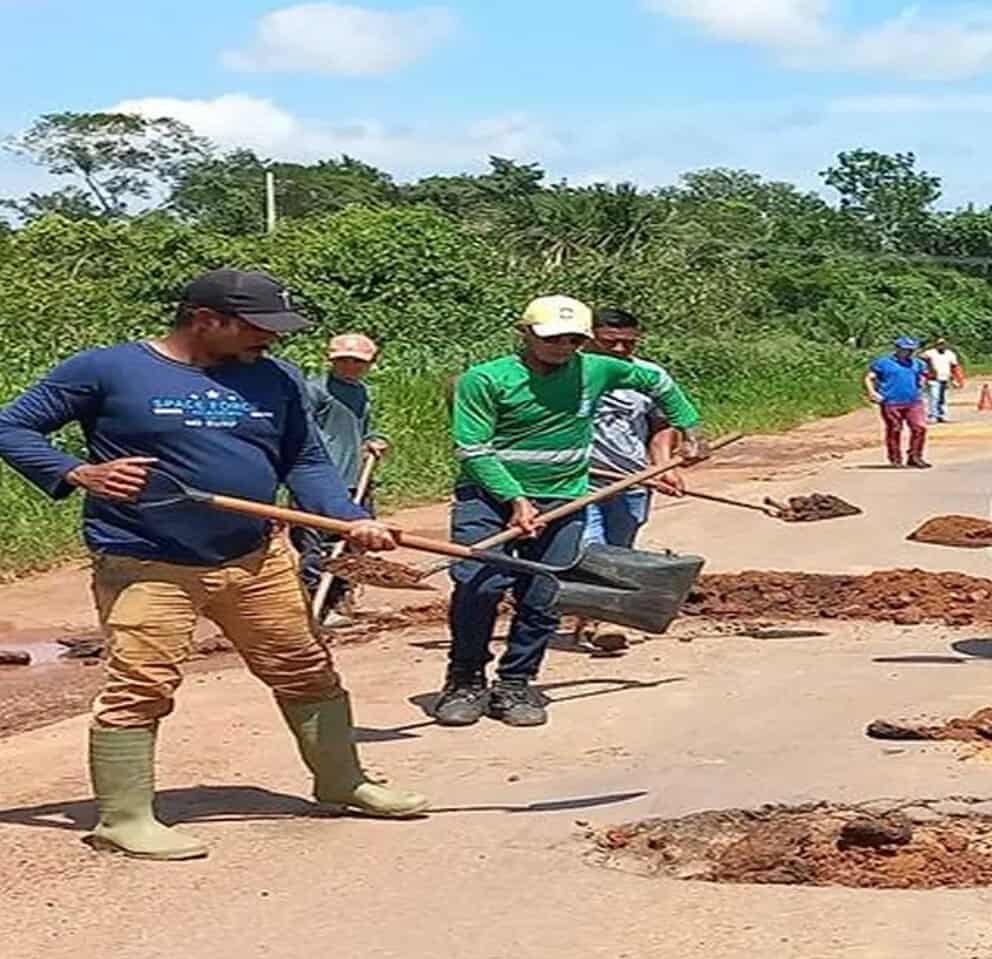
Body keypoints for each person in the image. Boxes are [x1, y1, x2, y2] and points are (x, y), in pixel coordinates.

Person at [0, 269, 429, 861]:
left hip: (255, 558)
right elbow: (10, 425)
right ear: (205, 320)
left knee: (305, 668)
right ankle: (124, 819)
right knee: (140, 686)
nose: (271, 342)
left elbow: (303, 459)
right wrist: (78, 472)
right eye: (257, 329)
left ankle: (342, 781)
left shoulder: (275, 378)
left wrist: (347, 516)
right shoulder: (106, 370)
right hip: (145, 562)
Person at [437, 296, 697, 728]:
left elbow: (660, 384)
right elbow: (473, 449)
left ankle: (517, 683)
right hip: (488, 495)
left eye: (574, 339)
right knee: (479, 585)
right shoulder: (485, 380)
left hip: (563, 498)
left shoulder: (597, 369)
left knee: (544, 592)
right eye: (553, 338)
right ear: (525, 334)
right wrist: (517, 500)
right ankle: (464, 679)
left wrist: (689, 430)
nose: (563, 346)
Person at [570, 307, 704, 652]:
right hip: (578, 478)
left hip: (633, 479)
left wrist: (663, 466)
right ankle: (601, 621)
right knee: (590, 547)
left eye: (628, 343)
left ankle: (590, 615)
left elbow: (661, 425)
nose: (619, 351)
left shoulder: (648, 375)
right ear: (588, 339)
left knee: (621, 549)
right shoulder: (568, 372)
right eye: (609, 342)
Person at [293, 332, 391, 628]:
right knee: (317, 547)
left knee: (352, 545)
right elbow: (300, 433)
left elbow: (365, 428)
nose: (350, 366)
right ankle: (315, 608)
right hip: (319, 484)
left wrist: (375, 440)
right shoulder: (315, 391)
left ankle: (340, 601)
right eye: (344, 360)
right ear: (331, 360)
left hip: (354, 480)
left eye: (358, 362)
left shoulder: (360, 391)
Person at [865, 335, 932, 468]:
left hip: (913, 401)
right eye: (905, 349)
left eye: (911, 350)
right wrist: (872, 392)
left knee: (919, 428)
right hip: (891, 401)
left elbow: (926, 376)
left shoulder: (918, 363)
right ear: (898, 349)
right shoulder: (883, 363)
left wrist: (923, 381)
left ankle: (915, 456)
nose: (908, 352)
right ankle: (895, 458)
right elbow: (869, 378)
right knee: (895, 429)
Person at [921, 337, 962, 424]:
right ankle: (933, 415)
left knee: (943, 398)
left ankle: (942, 415)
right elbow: (921, 357)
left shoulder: (950, 354)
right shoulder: (930, 353)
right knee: (934, 397)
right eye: (939, 344)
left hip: (945, 378)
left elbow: (953, 366)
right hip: (933, 379)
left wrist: (955, 379)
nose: (941, 346)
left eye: (943, 344)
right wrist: (928, 367)